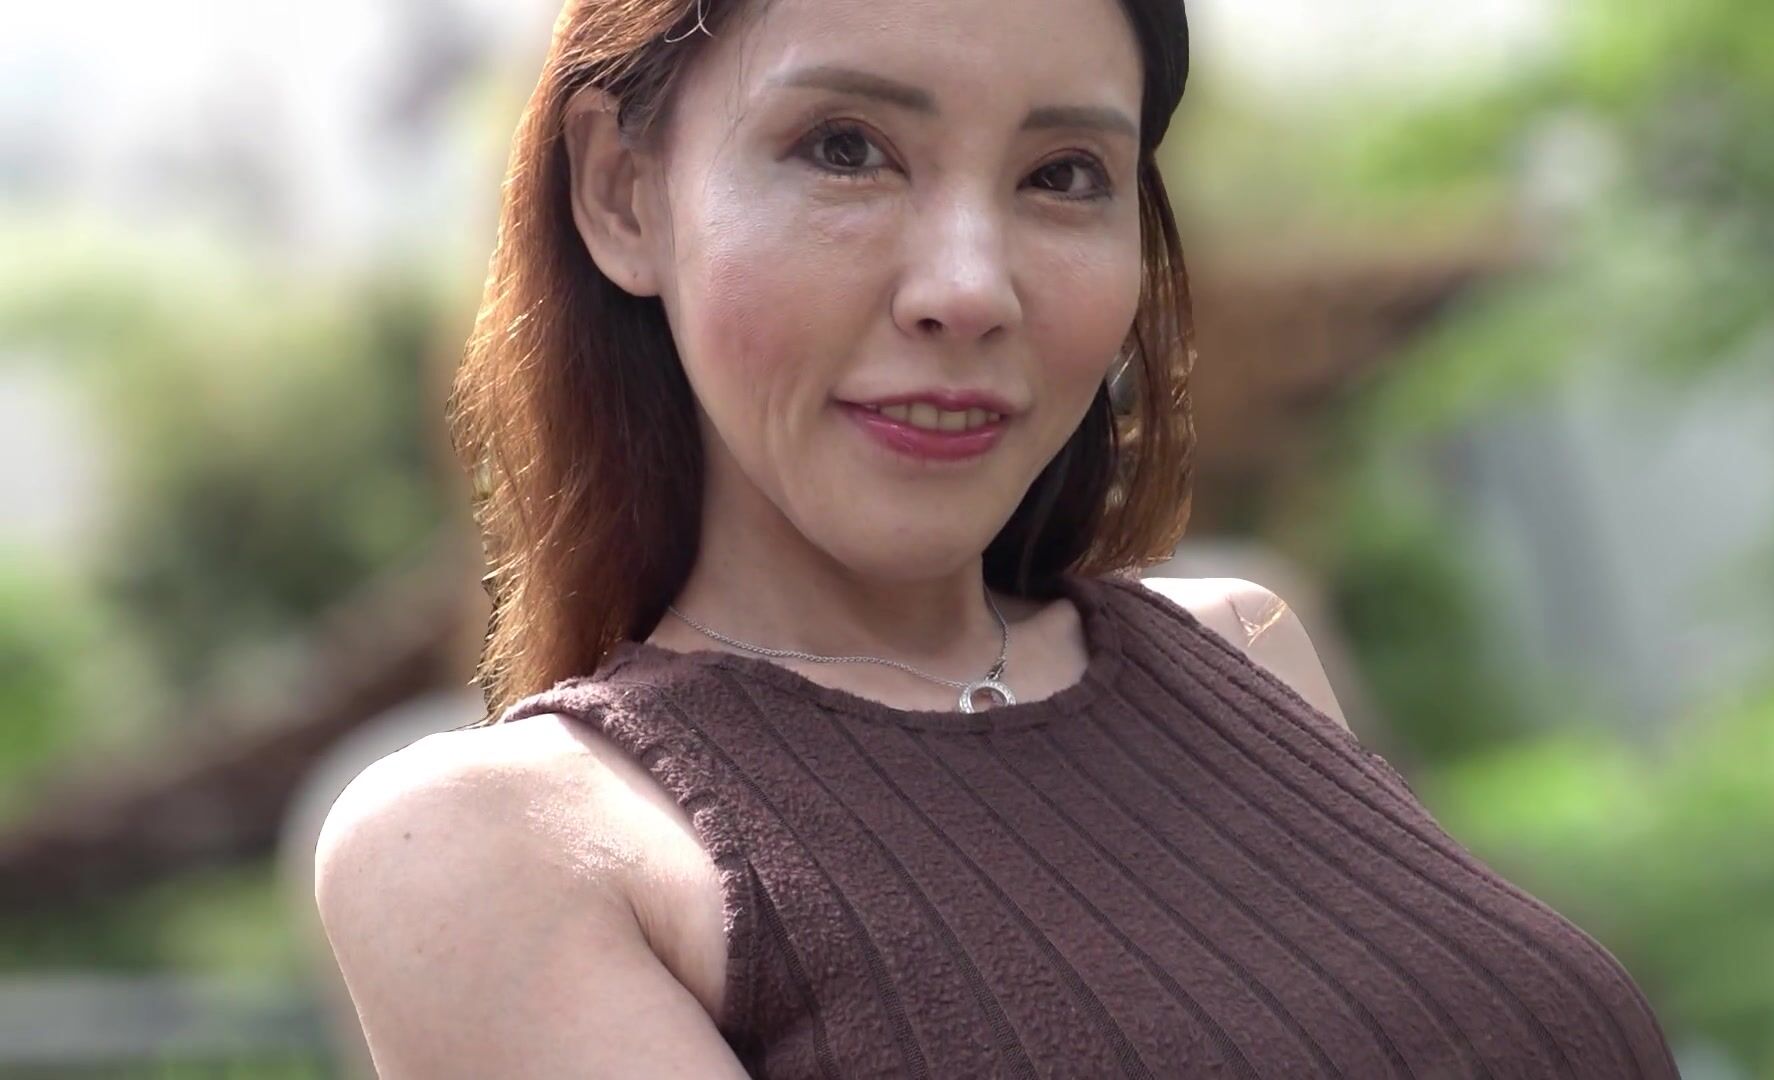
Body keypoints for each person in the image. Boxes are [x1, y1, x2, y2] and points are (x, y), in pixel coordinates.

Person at [312, 0, 1683, 1076]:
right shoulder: (512, 850)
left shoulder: (1251, 645)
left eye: (1064, 174)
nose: (969, 288)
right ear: (623, 193)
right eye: (844, 148)